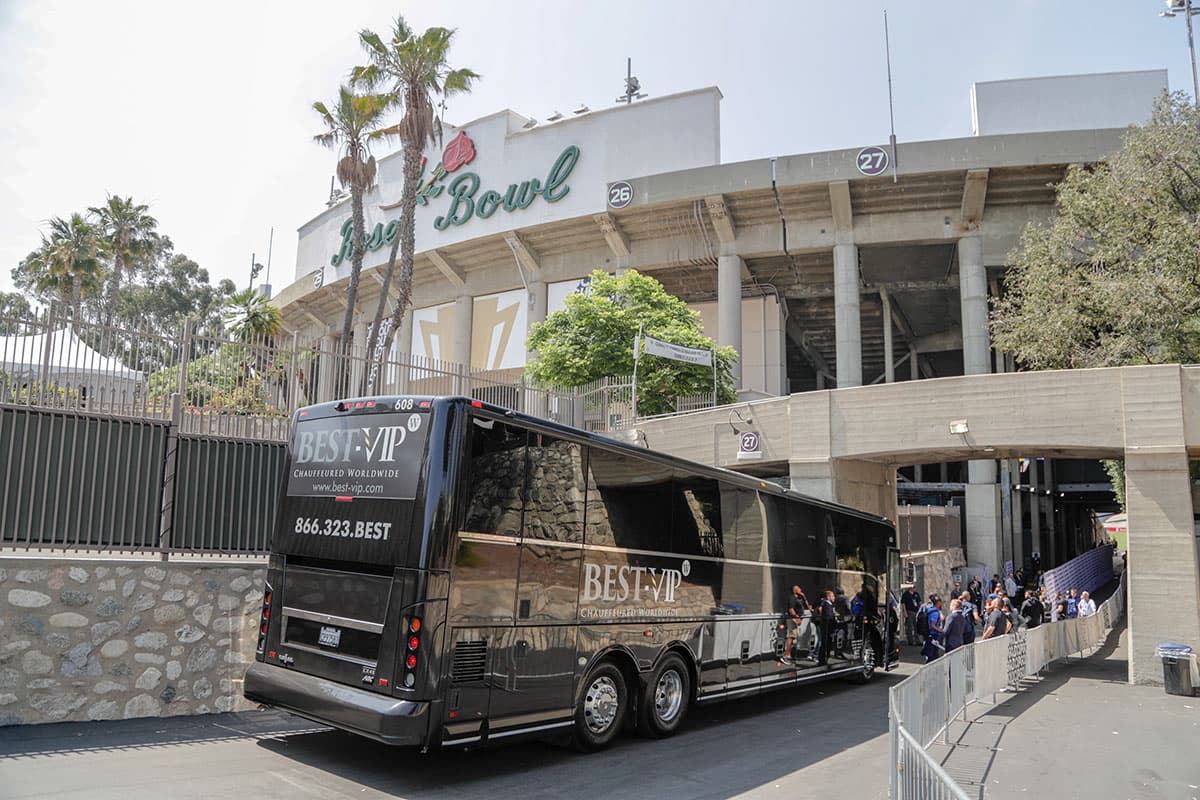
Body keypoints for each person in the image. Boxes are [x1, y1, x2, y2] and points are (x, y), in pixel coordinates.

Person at [783, 584, 810, 663]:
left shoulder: (799, 598)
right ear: (794, 590)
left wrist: (804, 597)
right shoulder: (792, 598)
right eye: (798, 588)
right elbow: (791, 609)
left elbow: (807, 606)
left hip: (798, 618)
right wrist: (797, 617)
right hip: (792, 618)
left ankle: (791, 654)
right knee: (791, 635)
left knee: (794, 636)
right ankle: (786, 654)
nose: (800, 589)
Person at [922, 595, 945, 663]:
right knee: (932, 655)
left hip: (929, 635)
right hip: (933, 635)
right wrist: (940, 630)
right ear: (938, 603)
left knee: (931, 654)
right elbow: (933, 625)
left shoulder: (930, 610)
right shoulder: (935, 612)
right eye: (941, 602)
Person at [817, 589, 836, 665]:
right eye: (832, 596)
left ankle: (825, 658)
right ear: (828, 597)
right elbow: (829, 617)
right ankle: (822, 659)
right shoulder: (826, 605)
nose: (834, 597)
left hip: (828, 627)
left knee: (828, 643)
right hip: (827, 627)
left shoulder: (829, 605)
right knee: (825, 643)